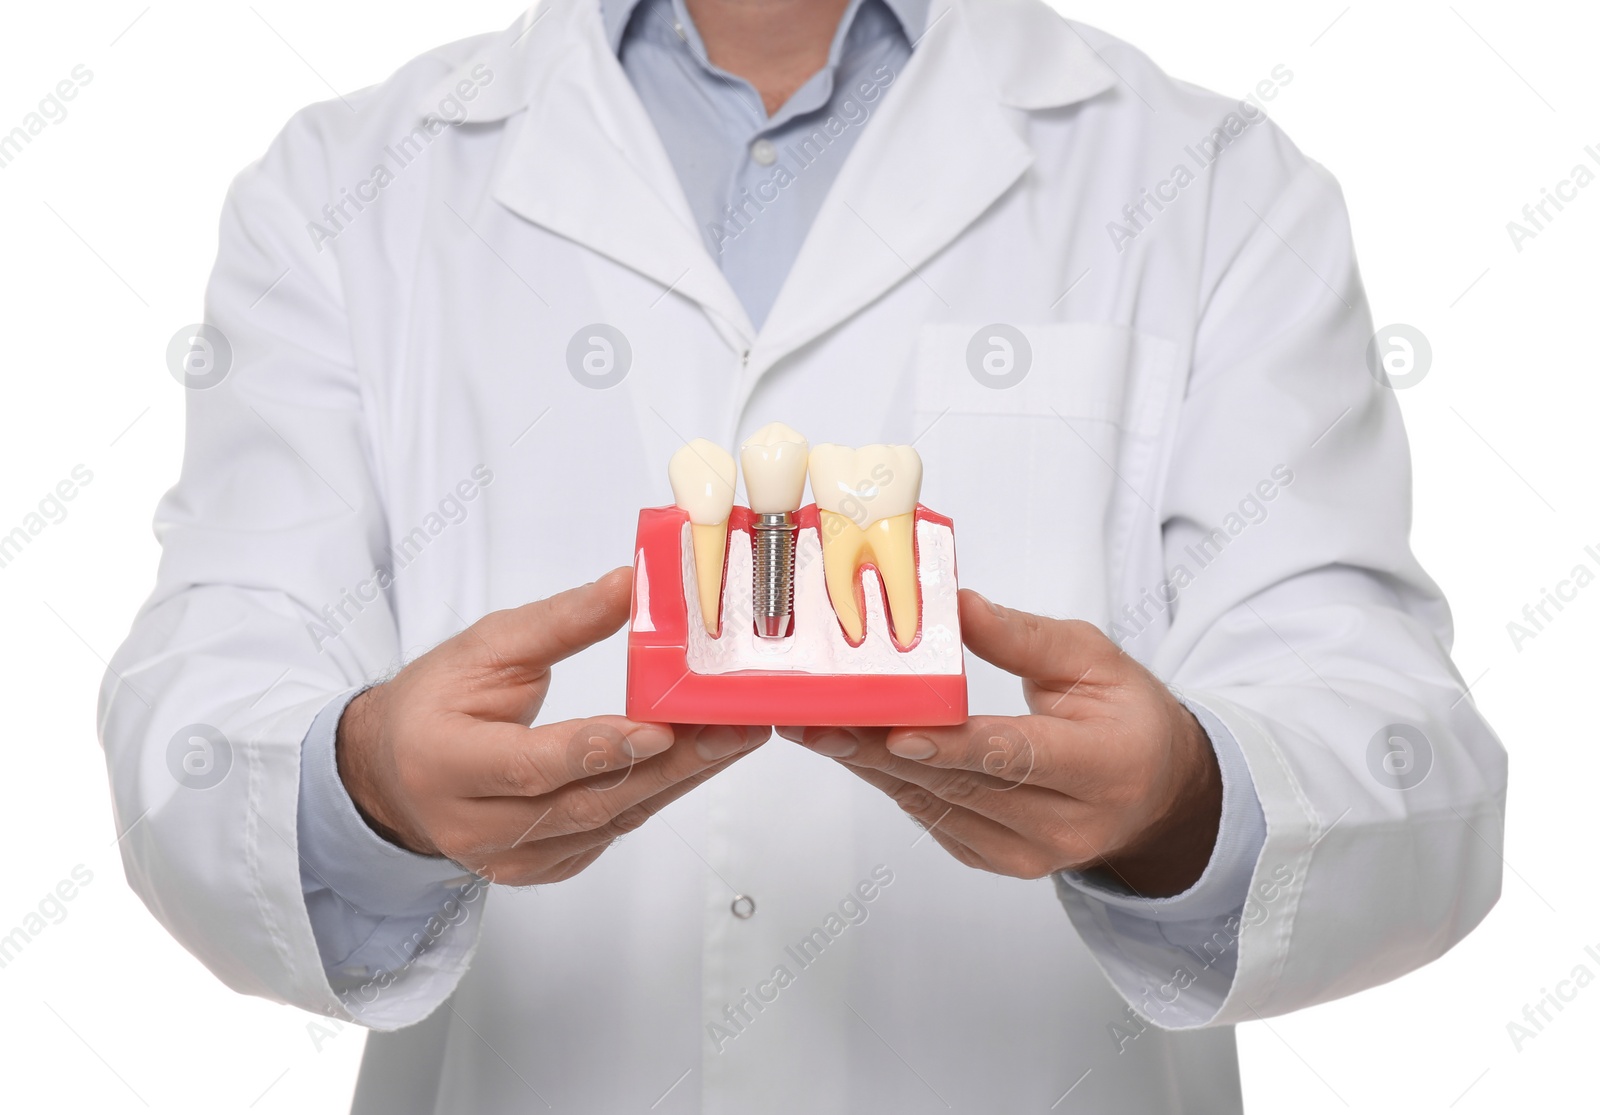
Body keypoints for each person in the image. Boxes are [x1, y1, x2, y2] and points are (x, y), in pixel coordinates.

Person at [99, 0, 1508, 1110]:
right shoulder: (346, 189)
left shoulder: (1211, 189)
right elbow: (207, 700)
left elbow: (1389, 734)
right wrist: (369, 785)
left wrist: (1184, 804)